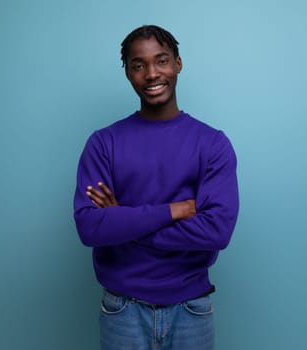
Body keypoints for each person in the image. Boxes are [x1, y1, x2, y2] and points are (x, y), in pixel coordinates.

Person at [73, 24, 239, 350]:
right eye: (139, 65)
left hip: (191, 307)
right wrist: (173, 211)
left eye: (161, 61)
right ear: (128, 73)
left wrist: (122, 221)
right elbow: (90, 227)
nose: (151, 73)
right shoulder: (104, 143)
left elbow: (216, 232)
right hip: (122, 309)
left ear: (178, 63)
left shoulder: (212, 144)